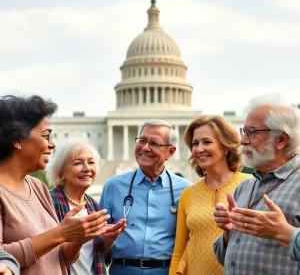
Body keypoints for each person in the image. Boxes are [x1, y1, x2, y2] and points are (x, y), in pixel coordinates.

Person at [0, 95, 109, 275]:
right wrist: (61, 233)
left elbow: (58, 259)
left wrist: (78, 237)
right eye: (46, 135)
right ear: (17, 139)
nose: (52, 144)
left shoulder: (37, 187)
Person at [213, 94, 300, 274]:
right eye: (243, 131)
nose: (243, 141)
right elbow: (225, 260)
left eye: (252, 132)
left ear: (281, 140)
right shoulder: (245, 186)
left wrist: (283, 232)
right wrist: (229, 232)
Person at [99, 119, 191, 275]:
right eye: (142, 141)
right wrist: (105, 241)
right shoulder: (113, 186)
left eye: (154, 143)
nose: (145, 148)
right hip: (122, 270)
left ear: (170, 152)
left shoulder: (185, 189)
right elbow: (97, 240)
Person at [169, 116, 250, 275]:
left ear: (226, 145)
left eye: (207, 142)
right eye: (195, 143)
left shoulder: (251, 185)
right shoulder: (187, 194)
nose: (199, 149)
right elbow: (179, 252)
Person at [47, 141, 126, 275]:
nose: (87, 168)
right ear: (61, 174)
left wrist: (107, 242)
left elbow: (98, 256)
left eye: (91, 162)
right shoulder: (49, 202)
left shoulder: (93, 205)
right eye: (78, 163)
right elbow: (46, 254)